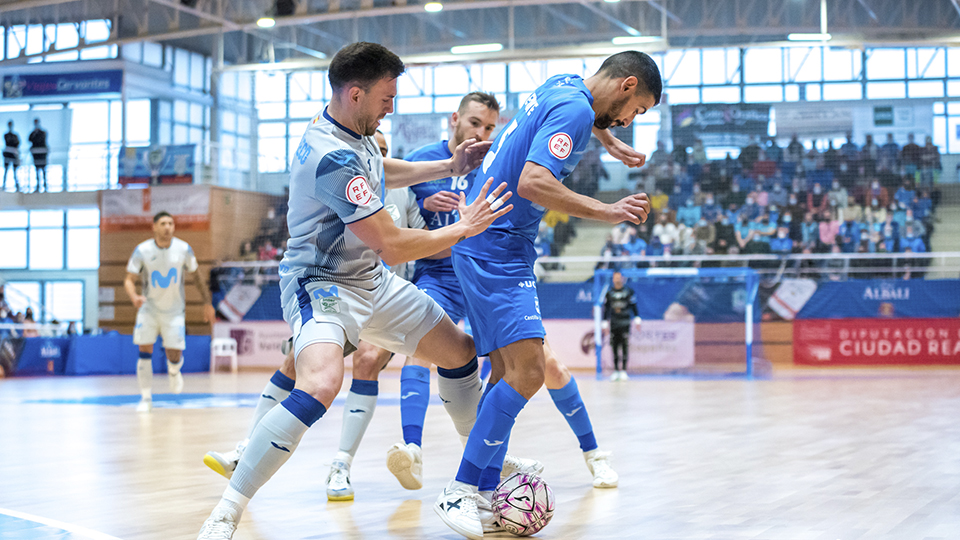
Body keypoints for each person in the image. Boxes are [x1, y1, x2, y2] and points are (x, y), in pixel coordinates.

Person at [195, 42, 511, 540]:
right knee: (320, 383)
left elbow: (381, 171)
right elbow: (391, 244)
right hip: (321, 283)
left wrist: (448, 167)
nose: (392, 107)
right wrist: (463, 228)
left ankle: (486, 467)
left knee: (458, 352)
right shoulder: (332, 156)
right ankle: (226, 512)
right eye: (387, 97)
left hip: (370, 281)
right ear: (357, 93)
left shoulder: (355, 130)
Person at [437, 50, 661, 539]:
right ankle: (461, 489)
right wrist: (609, 210)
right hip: (498, 248)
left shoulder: (566, 84)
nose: (628, 121)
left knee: (505, 374)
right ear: (626, 86)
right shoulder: (579, 111)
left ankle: (484, 486)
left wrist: (611, 144)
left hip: (483, 237)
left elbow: (580, 115)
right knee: (530, 373)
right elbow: (533, 181)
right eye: (636, 111)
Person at [124, 211, 216, 412]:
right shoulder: (143, 250)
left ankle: (174, 370)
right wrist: (134, 297)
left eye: (171, 223)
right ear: (154, 227)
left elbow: (197, 277)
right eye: (163, 223)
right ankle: (146, 398)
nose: (168, 227)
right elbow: (129, 279)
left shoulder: (184, 249)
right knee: (144, 350)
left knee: (173, 354)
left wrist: (207, 303)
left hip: (174, 311)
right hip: (148, 309)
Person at [602, 271, 641, 381]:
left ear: (622, 279)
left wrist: (637, 318)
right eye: (616, 277)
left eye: (619, 277)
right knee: (614, 347)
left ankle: (623, 370)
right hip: (614, 323)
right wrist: (604, 322)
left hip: (625, 323)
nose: (618, 280)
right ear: (613, 279)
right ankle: (615, 371)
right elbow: (606, 309)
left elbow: (634, 306)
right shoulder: (609, 293)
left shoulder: (628, 291)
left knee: (624, 346)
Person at [29, 118, 48, 192]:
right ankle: (38, 185)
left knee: (43, 169)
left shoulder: (42, 132)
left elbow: (41, 140)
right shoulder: (33, 133)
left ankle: (45, 184)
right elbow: (30, 139)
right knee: (36, 169)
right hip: (36, 154)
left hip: (42, 153)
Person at [3, 121, 20, 192]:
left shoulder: (15, 135)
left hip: (13, 155)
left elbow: (17, 143)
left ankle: (16, 185)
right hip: (8, 154)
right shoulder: (6, 135)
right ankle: (4, 184)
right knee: (6, 170)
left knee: (15, 171)